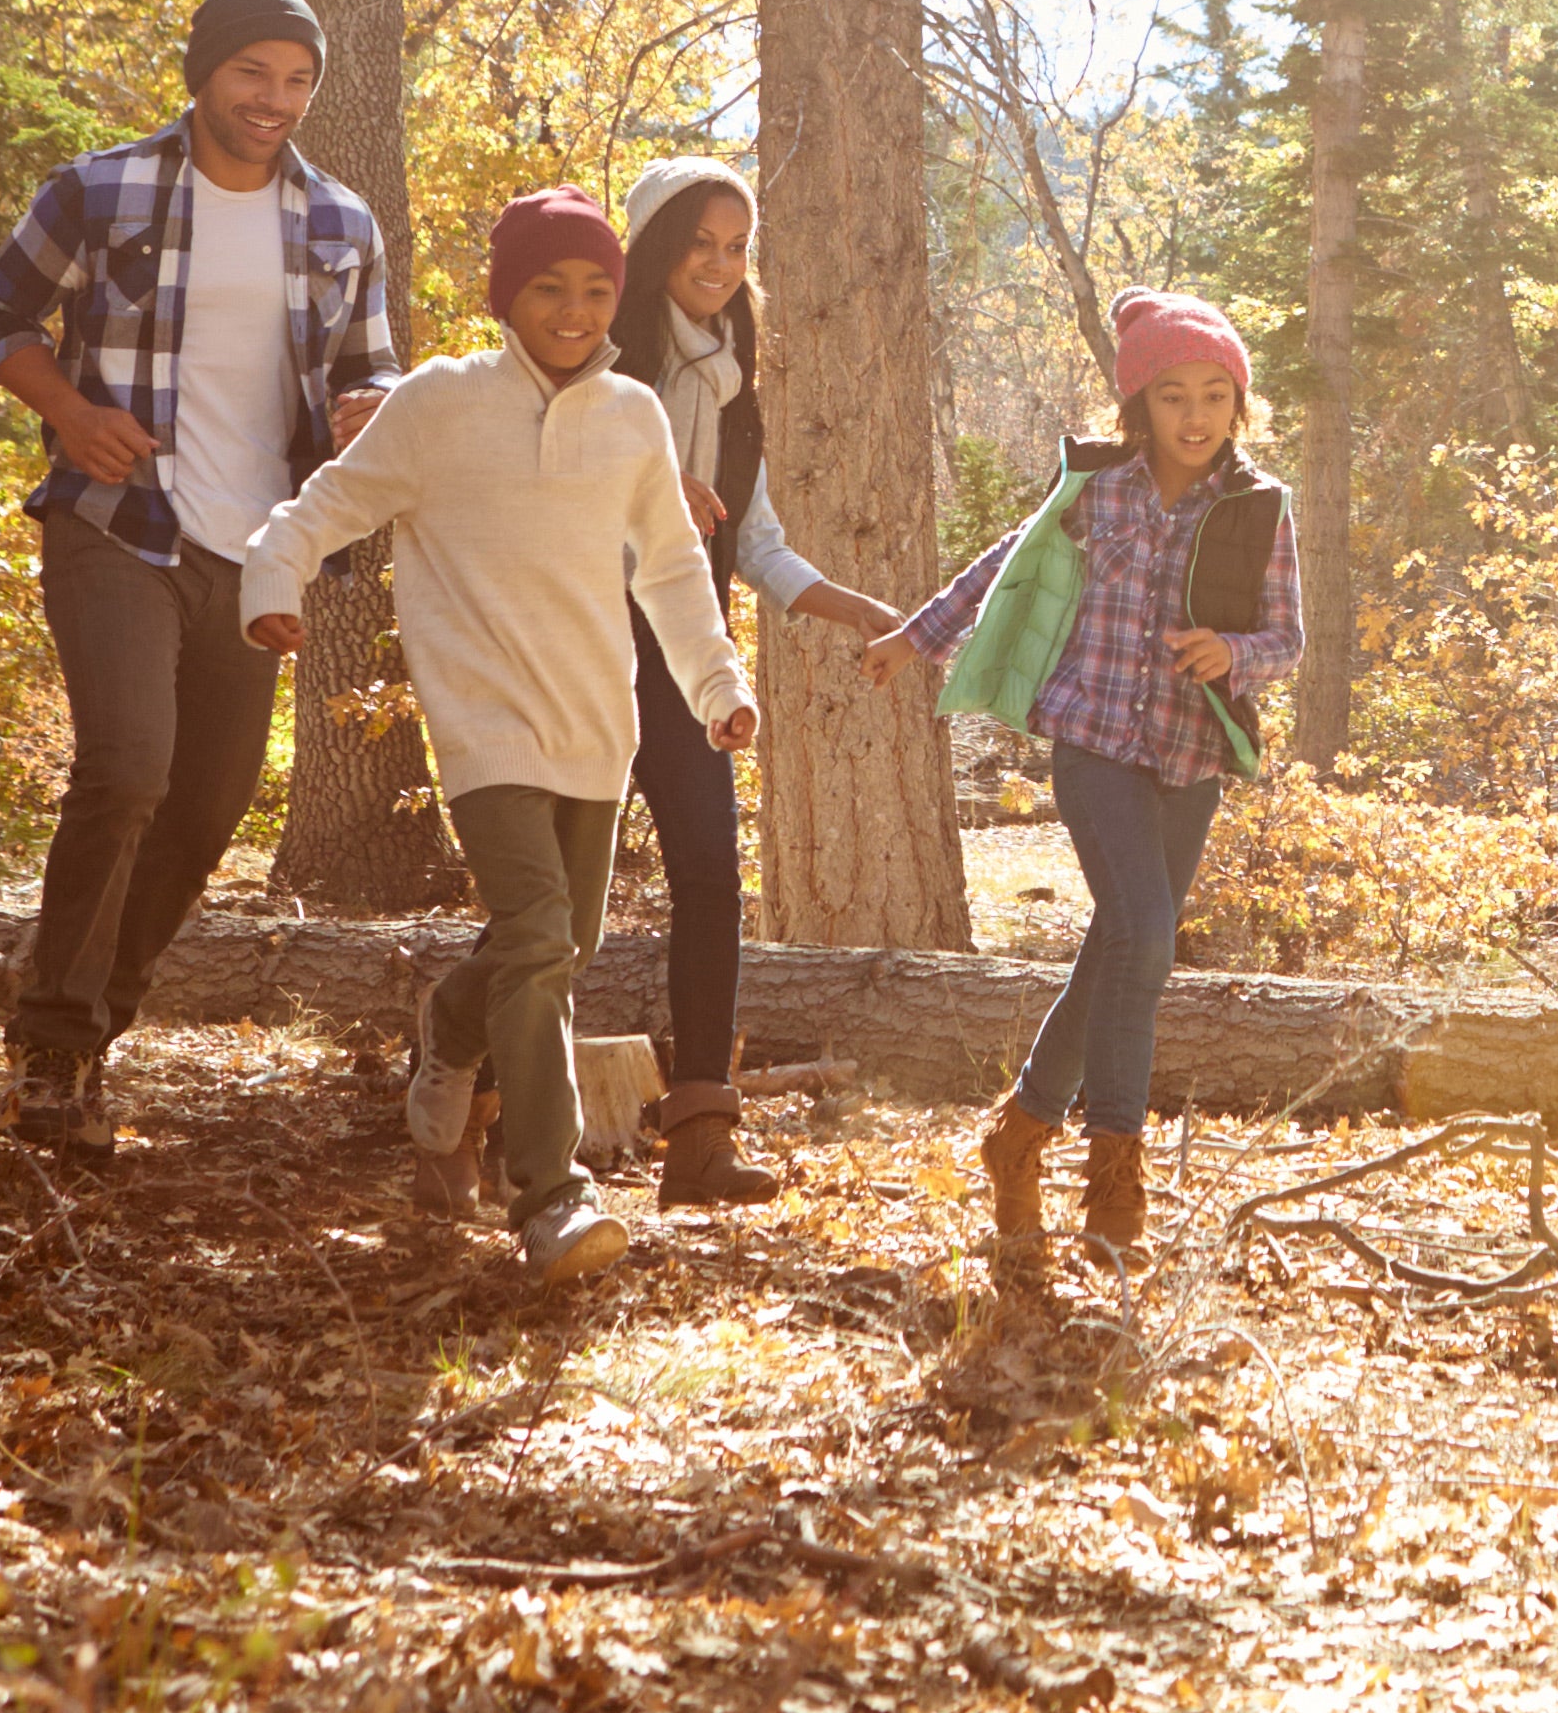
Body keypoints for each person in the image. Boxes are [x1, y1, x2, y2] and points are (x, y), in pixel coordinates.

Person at [244, 188, 755, 1286]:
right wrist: (272, 576)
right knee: (536, 937)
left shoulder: (633, 415)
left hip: (597, 723)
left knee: (559, 946)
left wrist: (717, 684)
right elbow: (328, 505)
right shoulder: (440, 402)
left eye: (596, 290)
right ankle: (551, 1196)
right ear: (504, 297)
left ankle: (448, 1025)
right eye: (547, 288)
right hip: (482, 724)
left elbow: (673, 570)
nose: (574, 310)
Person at [0, 0, 398, 1158]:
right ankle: (53, 1043)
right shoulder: (100, 190)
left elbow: (376, 369)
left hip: (258, 555)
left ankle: (93, 1014)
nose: (274, 99)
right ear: (205, 72)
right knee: (127, 768)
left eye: (297, 80)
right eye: (253, 72)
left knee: (207, 810)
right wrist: (66, 412)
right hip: (118, 522)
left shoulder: (342, 223)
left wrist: (372, 405)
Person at [876, 288, 1302, 1271]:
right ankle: (1115, 1174)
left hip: (1191, 757)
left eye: (1214, 396)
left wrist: (1232, 652)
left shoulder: (1259, 509)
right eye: (1172, 396)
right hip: (1094, 741)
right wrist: (917, 637)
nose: (1195, 416)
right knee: (1145, 936)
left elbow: (1288, 639)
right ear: (1138, 404)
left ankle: (1019, 1133)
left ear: (1239, 405)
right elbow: (1007, 564)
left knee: (1119, 949)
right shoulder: (1098, 489)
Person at [597, 159, 908, 1209]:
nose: (721, 265)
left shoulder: (735, 382)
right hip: (582, 643)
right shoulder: (598, 357)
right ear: (655, 246)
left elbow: (757, 544)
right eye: (700, 243)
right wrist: (648, 483)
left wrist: (856, 610)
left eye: (737, 248)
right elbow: (539, 482)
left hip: (686, 658)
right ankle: (473, 1090)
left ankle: (699, 1138)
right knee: (558, 890)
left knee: (710, 879)